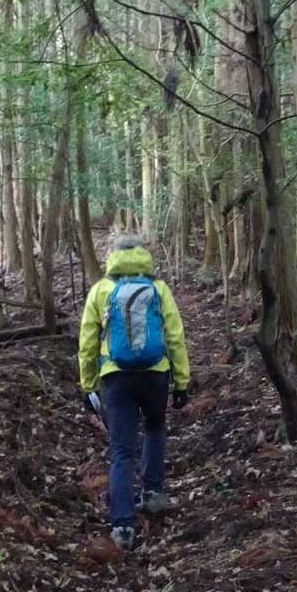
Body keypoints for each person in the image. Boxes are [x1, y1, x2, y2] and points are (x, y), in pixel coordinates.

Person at [78, 234, 191, 549]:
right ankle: (153, 493)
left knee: (121, 450)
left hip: (115, 377)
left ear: (112, 256)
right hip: (156, 373)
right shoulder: (159, 288)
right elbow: (175, 335)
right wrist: (182, 381)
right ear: (143, 255)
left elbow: (87, 342)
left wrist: (88, 384)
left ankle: (123, 525)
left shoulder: (101, 290)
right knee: (154, 428)